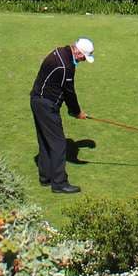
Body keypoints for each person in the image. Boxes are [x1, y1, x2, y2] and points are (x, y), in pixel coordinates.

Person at [31, 37, 94, 193]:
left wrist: (73, 111)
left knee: (45, 140)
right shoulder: (66, 66)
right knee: (59, 144)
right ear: (78, 52)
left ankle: (45, 177)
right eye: (83, 57)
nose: (83, 61)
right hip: (46, 104)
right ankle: (59, 183)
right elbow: (69, 92)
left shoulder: (60, 52)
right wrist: (77, 112)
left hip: (37, 100)